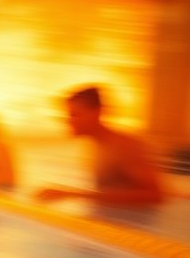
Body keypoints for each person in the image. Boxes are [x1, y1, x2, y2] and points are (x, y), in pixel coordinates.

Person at [35, 86, 164, 205]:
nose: (67, 121)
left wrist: (72, 194)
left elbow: (155, 195)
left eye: (74, 114)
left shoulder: (125, 147)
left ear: (96, 114)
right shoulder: (95, 148)